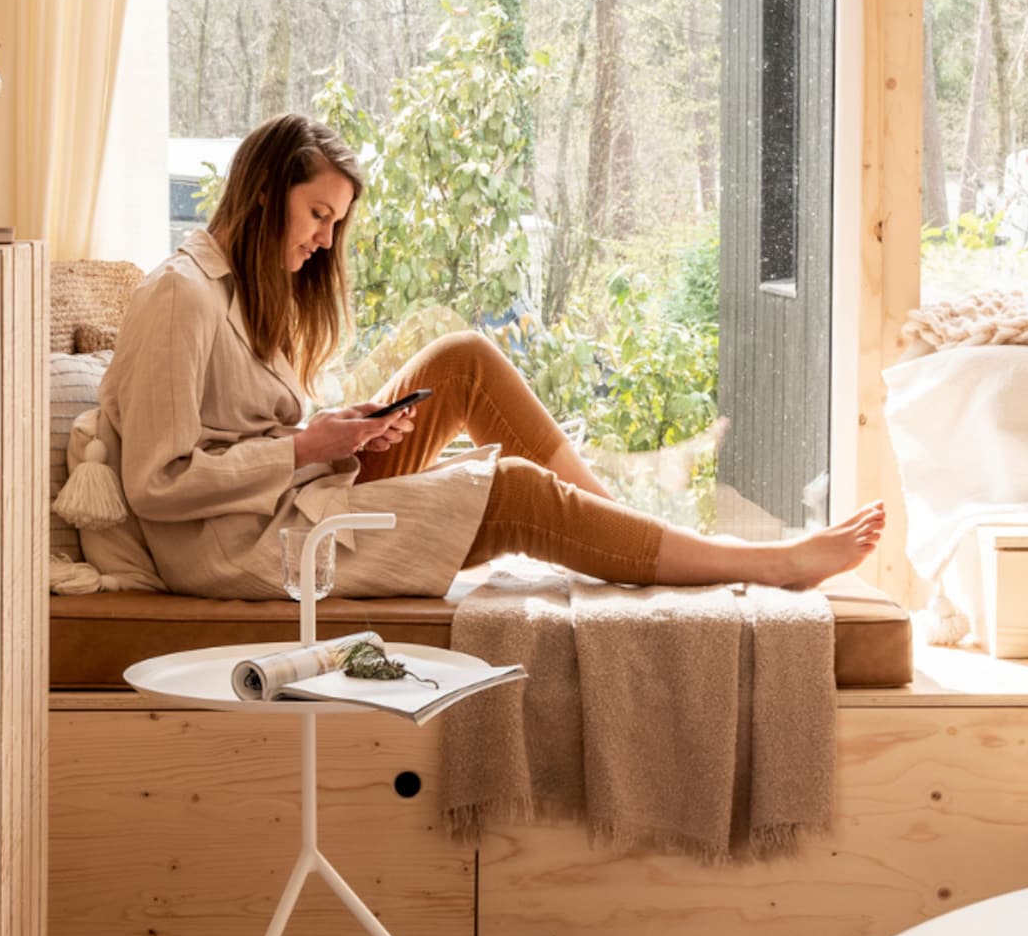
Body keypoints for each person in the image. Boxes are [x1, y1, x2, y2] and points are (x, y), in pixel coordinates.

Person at [90, 113, 884, 601]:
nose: (325, 241)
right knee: (513, 494)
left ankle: (630, 533)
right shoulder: (179, 297)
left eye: (335, 224)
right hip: (244, 547)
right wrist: (304, 448)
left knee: (463, 359)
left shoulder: (236, 292)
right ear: (266, 193)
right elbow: (158, 483)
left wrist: (335, 433)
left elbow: (244, 433)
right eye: (318, 215)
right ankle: (763, 565)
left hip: (288, 497)